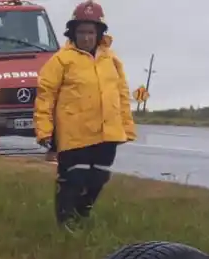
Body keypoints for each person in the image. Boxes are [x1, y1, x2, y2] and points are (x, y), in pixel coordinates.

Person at [33, 1, 137, 228]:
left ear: (99, 33)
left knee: (98, 178)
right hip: (74, 133)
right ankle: (65, 221)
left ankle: (82, 215)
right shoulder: (61, 60)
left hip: (106, 134)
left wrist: (126, 128)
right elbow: (45, 96)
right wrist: (44, 129)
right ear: (73, 33)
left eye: (91, 32)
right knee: (74, 178)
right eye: (81, 32)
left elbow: (121, 95)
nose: (86, 37)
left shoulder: (112, 61)